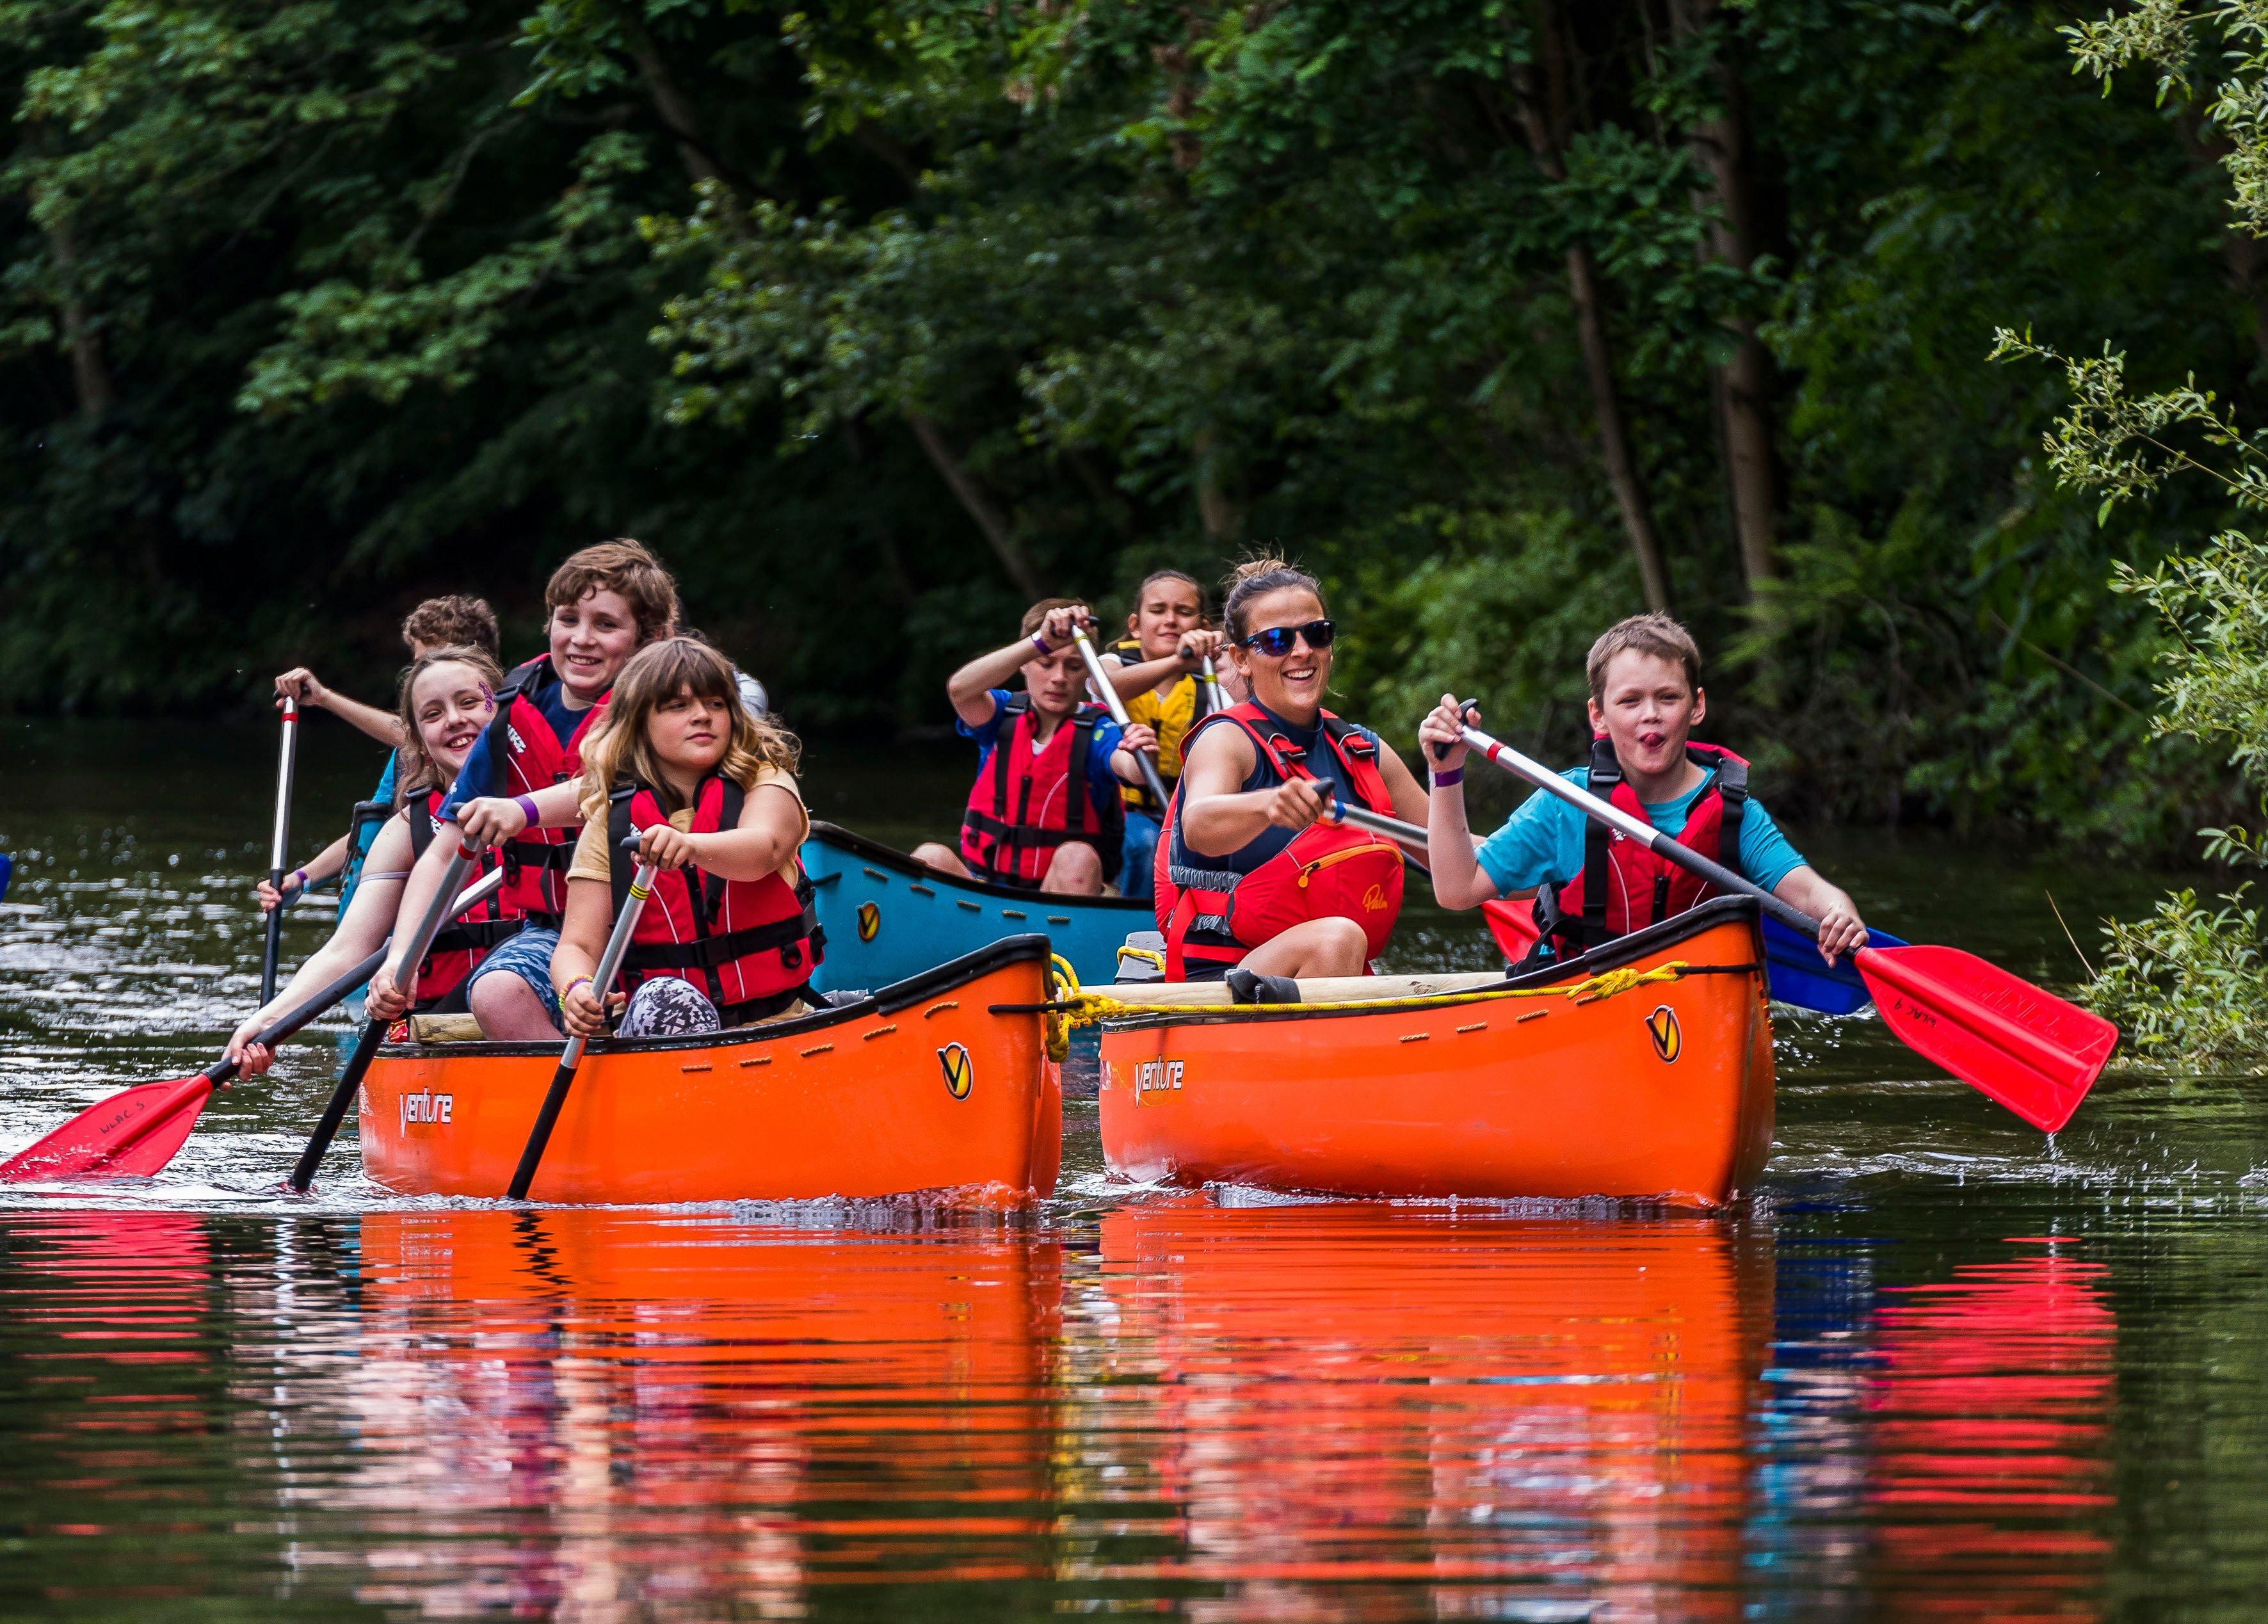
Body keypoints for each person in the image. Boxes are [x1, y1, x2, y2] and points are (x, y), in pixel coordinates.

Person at [1419, 611, 1869, 965]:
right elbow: (1457, 889)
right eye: (1630, 701)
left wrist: (1839, 913)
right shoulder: (1566, 803)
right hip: (1592, 999)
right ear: (1598, 716)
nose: (1649, 714)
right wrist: (1447, 774)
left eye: (1668, 698)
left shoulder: (1734, 814)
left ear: (1697, 706)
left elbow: (1812, 894)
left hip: (1700, 998)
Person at [371, 540, 681, 1038]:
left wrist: (523, 810)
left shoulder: (670, 709)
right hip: (558, 934)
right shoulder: (514, 709)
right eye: (568, 619)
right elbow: (445, 851)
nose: (581, 639)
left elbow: (610, 787)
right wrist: (401, 962)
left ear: (649, 638)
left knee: (663, 1008)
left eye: (606, 625)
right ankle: (562, 1099)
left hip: (663, 926)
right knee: (495, 990)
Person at [226, 647, 510, 1073]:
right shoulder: (405, 830)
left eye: (470, 703)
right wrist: (268, 1021)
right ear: (419, 744)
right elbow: (347, 951)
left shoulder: (554, 806)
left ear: (505, 713)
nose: (454, 719)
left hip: (539, 1006)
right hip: (437, 1024)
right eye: (433, 715)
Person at [1154, 558, 1431, 980]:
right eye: (1277, 641)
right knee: (1336, 938)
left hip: (1326, 973)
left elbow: (1459, 859)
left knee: (1338, 942)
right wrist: (1268, 804)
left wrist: (1558, 855)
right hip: (1220, 983)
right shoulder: (1226, 740)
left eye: (1316, 634)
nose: (1302, 651)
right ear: (1240, 659)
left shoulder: (1363, 750)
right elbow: (1198, 824)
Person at [552, 638, 821, 1040]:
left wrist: (691, 846)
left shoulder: (764, 780)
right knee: (664, 997)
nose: (703, 717)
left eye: (716, 704)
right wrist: (574, 989)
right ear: (640, 721)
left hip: (779, 1024)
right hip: (662, 1028)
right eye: (679, 706)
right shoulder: (613, 820)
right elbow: (577, 944)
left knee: (667, 997)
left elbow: (764, 849)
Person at [257, 595, 500, 915]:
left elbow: (409, 734)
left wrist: (326, 699)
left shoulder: (508, 744)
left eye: (432, 662)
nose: (420, 676)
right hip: (371, 928)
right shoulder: (406, 760)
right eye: (417, 664)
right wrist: (303, 879)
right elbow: (373, 831)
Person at [910, 599, 1156, 896]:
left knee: (1077, 857)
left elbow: (1132, 768)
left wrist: (1145, 753)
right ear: (1025, 662)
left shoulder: (1099, 731)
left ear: (1087, 673)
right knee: (929, 856)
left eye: (1074, 666)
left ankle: (1066, 942)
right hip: (982, 890)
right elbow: (960, 689)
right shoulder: (1000, 713)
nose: (1059, 678)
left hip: (1053, 898)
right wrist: (1040, 641)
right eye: (1046, 662)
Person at [1096, 568, 1228, 899]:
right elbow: (1107, 687)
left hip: (1181, 812)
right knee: (1146, 842)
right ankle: (1134, 926)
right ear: (1135, 626)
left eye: (1184, 613)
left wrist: (1220, 651)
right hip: (1114, 811)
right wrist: (1177, 661)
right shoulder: (1111, 663)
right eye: (1158, 611)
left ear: (1200, 628)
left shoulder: (1213, 683)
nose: (1170, 620)